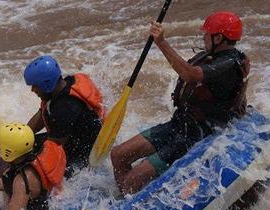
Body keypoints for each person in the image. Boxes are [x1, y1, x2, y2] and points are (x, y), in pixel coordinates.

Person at [111, 11, 250, 194]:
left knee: (131, 181)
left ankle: (132, 199)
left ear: (218, 39)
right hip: (180, 124)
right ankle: (127, 199)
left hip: (196, 135)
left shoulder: (229, 65)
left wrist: (161, 42)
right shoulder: (209, 57)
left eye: (206, 34)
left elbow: (190, 74)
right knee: (118, 154)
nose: (203, 37)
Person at [23, 55, 105, 176]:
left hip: (82, 152)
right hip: (70, 136)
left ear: (47, 84)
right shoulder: (65, 83)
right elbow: (42, 113)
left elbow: (54, 149)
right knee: (25, 145)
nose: (32, 90)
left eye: (35, 86)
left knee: (26, 155)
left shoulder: (65, 108)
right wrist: (21, 135)